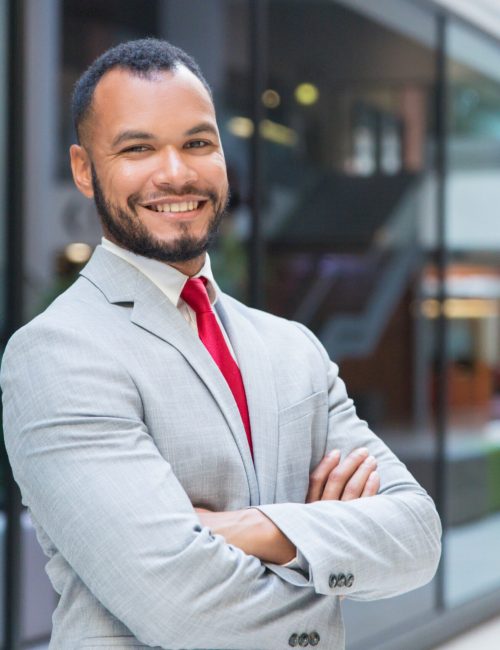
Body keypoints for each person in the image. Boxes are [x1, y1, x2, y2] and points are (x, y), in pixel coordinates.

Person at [0, 39, 441, 650]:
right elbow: (180, 606)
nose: (176, 172)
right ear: (83, 169)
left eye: (198, 142)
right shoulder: (57, 352)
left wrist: (254, 529)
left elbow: (416, 537)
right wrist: (321, 554)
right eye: (138, 148)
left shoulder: (293, 347)